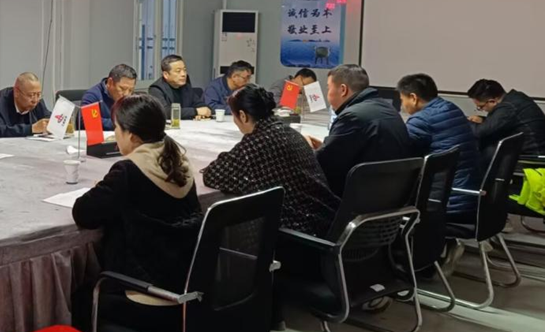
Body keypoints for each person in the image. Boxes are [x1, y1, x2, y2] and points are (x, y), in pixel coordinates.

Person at [72, 94, 201, 332]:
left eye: (116, 129)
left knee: (85, 299)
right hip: (190, 291)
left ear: (130, 134)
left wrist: (104, 188)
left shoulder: (129, 171)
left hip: (152, 297)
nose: (115, 136)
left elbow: (84, 212)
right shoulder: (178, 158)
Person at [202, 85, 340, 237]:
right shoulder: (291, 132)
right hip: (329, 221)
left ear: (242, 116)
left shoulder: (255, 144)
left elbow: (212, 174)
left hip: (301, 232)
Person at [305, 64, 412, 196]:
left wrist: (304, 148)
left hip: (362, 197)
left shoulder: (352, 116)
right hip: (393, 194)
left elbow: (322, 165)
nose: (328, 94)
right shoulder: (388, 109)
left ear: (343, 90)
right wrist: (325, 147)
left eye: (328, 88)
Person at [397, 74, 482, 221]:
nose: (402, 105)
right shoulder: (451, 108)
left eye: (402, 99)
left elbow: (403, 158)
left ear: (413, 98)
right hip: (467, 194)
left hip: (447, 202)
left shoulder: (421, 120)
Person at [466, 79, 545, 164]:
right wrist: (483, 120)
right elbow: (507, 121)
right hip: (536, 150)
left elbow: (479, 132)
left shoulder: (507, 107)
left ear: (492, 101)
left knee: (485, 147)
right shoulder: (515, 97)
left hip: (532, 159)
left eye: (481, 107)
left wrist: (462, 122)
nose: (481, 110)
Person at [0, 72, 52, 138]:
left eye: (38, 94)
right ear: (16, 93)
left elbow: (48, 119)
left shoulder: (37, 101)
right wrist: (32, 128)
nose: (35, 100)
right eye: (31, 95)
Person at [148, 54, 211, 121]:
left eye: (184, 70)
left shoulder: (186, 86)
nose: (183, 74)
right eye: (178, 71)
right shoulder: (156, 89)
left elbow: (201, 105)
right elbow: (165, 112)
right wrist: (195, 111)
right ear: (166, 75)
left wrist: (202, 113)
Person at [81, 63, 138, 130]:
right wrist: (121, 123)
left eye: (131, 90)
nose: (127, 94)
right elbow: (88, 121)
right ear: (110, 82)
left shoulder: (132, 97)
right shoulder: (92, 95)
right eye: (122, 89)